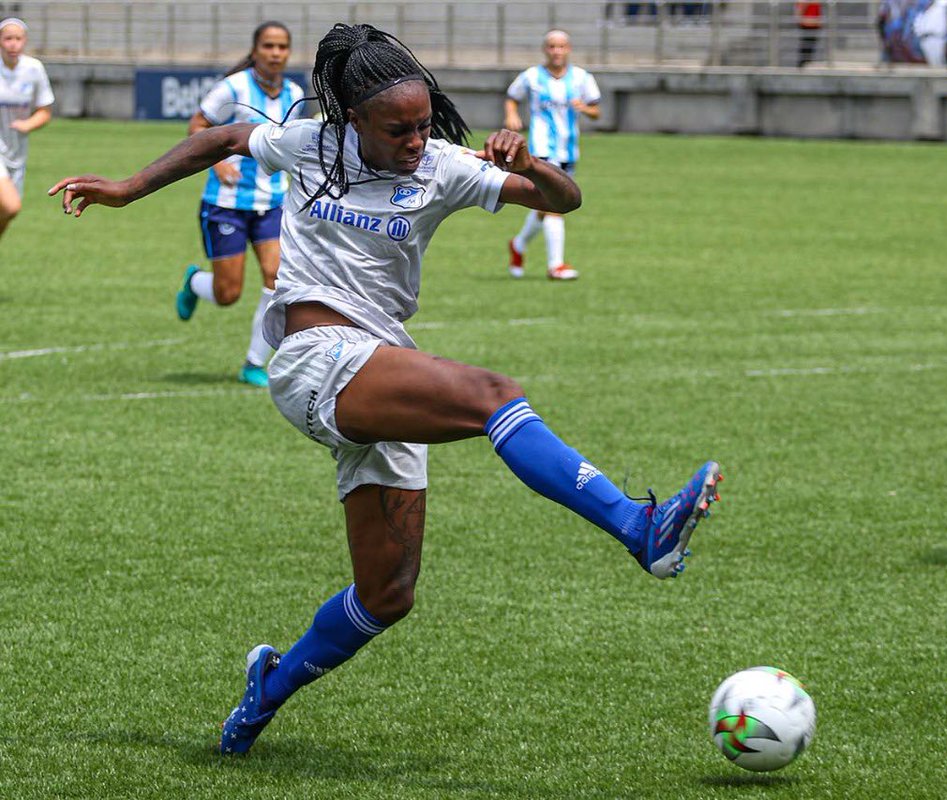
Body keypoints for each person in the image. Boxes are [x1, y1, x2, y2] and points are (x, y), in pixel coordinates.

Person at [51, 23, 721, 755]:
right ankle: (637, 526)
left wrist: (531, 159)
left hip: (377, 365)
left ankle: (264, 690)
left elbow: (564, 200)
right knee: (492, 392)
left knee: (387, 595)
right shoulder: (310, 143)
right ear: (352, 119)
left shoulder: (443, 166)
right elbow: (220, 139)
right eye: (397, 128)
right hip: (311, 360)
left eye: (424, 122)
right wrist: (124, 188)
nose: (414, 139)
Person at [175, 21, 304, 387]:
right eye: (268, 46)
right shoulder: (233, 88)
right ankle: (195, 282)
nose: (276, 54)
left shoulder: (294, 92)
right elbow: (197, 127)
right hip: (225, 205)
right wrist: (217, 162)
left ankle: (253, 363)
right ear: (255, 50)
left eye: (282, 47)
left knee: (276, 279)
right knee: (227, 293)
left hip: (273, 202)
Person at [503, 29, 600, 280]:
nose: (556, 51)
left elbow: (596, 111)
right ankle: (555, 266)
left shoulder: (581, 77)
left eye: (561, 46)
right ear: (545, 49)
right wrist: (512, 114)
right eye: (552, 47)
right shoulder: (532, 76)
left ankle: (519, 245)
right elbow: (512, 97)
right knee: (555, 204)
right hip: (541, 150)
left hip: (568, 149)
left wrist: (586, 109)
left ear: (569, 49)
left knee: (545, 205)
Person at [0, 17, 52, 245]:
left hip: (17, 151)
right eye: (7, 38)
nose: (13, 44)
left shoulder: (33, 69)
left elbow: (45, 110)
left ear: (25, 41)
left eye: (18, 38)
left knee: (9, 213)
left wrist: (27, 125)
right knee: (11, 205)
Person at [795, 3, 823, 67]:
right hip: (807, 22)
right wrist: (800, 19)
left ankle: (807, 62)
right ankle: (803, 63)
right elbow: (800, 7)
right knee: (806, 44)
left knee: (811, 44)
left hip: (814, 23)